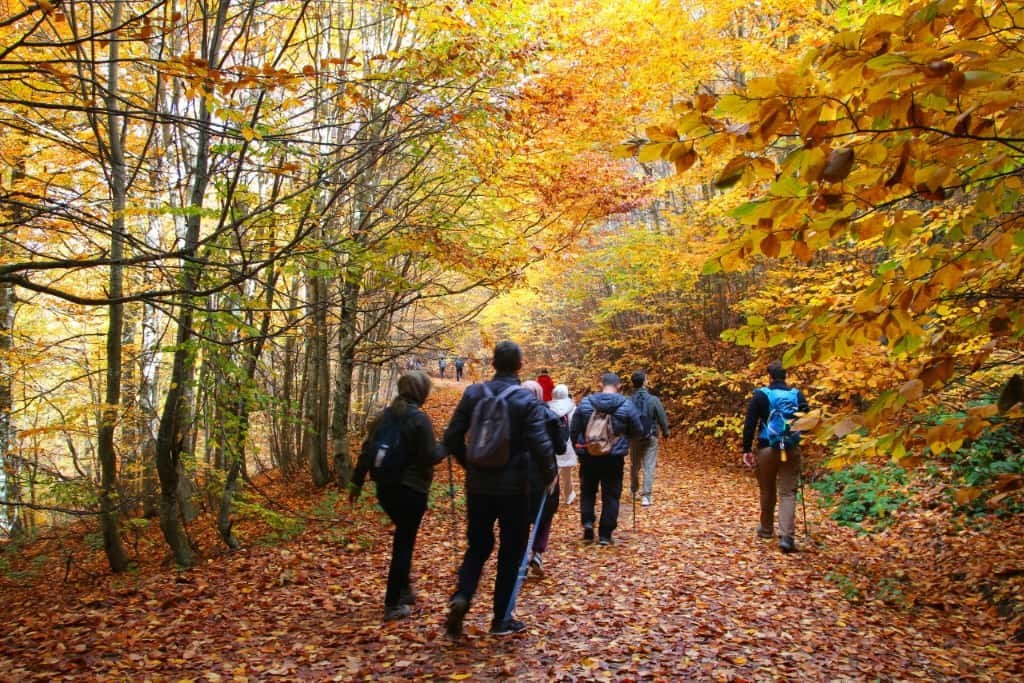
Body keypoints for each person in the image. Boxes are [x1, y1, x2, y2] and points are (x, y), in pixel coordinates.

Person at [442, 341, 557, 636]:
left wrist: (470, 465)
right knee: (511, 551)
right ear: (519, 366)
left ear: (493, 364)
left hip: (478, 487)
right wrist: (549, 475)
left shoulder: (473, 393)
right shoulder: (525, 400)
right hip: (514, 489)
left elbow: (452, 436)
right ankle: (501, 619)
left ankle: (463, 595)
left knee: (478, 546)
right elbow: (540, 444)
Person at [350, 370, 444, 620]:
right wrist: (447, 445)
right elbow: (429, 457)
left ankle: (403, 590)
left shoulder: (384, 416)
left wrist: (356, 482)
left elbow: (367, 450)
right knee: (404, 543)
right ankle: (393, 601)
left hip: (386, 489)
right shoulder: (418, 420)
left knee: (404, 538)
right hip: (412, 491)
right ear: (421, 392)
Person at [742, 361, 810, 554]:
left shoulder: (761, 395)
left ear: (769, 377)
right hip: (791, 448)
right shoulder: (797, 395)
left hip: (767, 448)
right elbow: (807, 421)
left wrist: (746, 449)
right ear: (785, 376)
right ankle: (787, 537)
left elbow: (750, 424)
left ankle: (766, 529)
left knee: (767, 489)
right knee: (788, 492)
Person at [570, 372, 643, 546]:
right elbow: (638, 430)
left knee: (588, 491)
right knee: (611, 495)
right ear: (619, 386)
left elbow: (574, 430)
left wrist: (578, 447)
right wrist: (625, 439)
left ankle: (588, 523)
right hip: (613, 457)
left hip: (589, 455)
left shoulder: (586, 402)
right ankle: (605, 534)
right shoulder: (626, 404)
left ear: (601, 385)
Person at [521, 381, 563, 576]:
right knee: (545, 514)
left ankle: (519, 555)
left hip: (517, 472)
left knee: (519, 516)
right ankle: (537, 552)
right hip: (544, 471)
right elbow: (561, 447)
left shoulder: (512, 413)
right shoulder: (549, 415)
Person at [628, 371, 670, 507]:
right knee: (649, 466)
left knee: (635, 465)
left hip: (634, 437)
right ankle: (646, 496)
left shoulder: (628, 400)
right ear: (645, 382)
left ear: (632, 383)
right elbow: (662, 418)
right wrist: (665, 432)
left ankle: (634, 491)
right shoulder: (653, 400)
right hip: (650, 436)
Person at [548, 384, 578, 505]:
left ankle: (550, 496)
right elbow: (576, 427)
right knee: (567, 474)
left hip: (553, 445)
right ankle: (568, 496)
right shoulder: (573, 408)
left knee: (553, 473)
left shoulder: (548, 408)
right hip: (568, 445)